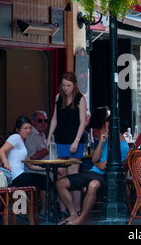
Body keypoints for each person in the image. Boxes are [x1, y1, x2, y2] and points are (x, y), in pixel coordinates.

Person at [55, 118, 130, 225]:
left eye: (108, 127)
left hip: (107, 177)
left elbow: (104, 166)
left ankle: (80, 219)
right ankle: (73, 214)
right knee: (60, 183)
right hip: (93, 172)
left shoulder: (123, 147)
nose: (106, 129)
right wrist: (101, 142)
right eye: (106, 126)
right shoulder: (108, 140)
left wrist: (98, 164)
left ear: (117, 128)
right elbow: (94, 159)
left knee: (93, 185)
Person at [47, 71, 87, 216]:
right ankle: (63, 209)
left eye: (68, 85)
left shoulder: (80, 99)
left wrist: (76, 141)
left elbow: (83, 122)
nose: (66, 88)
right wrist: (49, 137)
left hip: (74, 140)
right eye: (63, 85)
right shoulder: (59, 97)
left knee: (73, 174)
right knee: (60, 173)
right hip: (60, 140)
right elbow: (54, 119)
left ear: (74, 85)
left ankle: (76, 209)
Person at [0, 115, 47, 217]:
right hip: (16, 176)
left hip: (20, 175)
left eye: (29, 128)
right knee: (45, 181)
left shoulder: (22, 142)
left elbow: (30, 166)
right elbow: (1, 151)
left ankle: (22, 212)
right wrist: (6, 162)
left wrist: (48, 169)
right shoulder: (15, 137)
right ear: (17, 129)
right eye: (25, 128)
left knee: (45, 179)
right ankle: (43, 212)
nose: (28, 131)